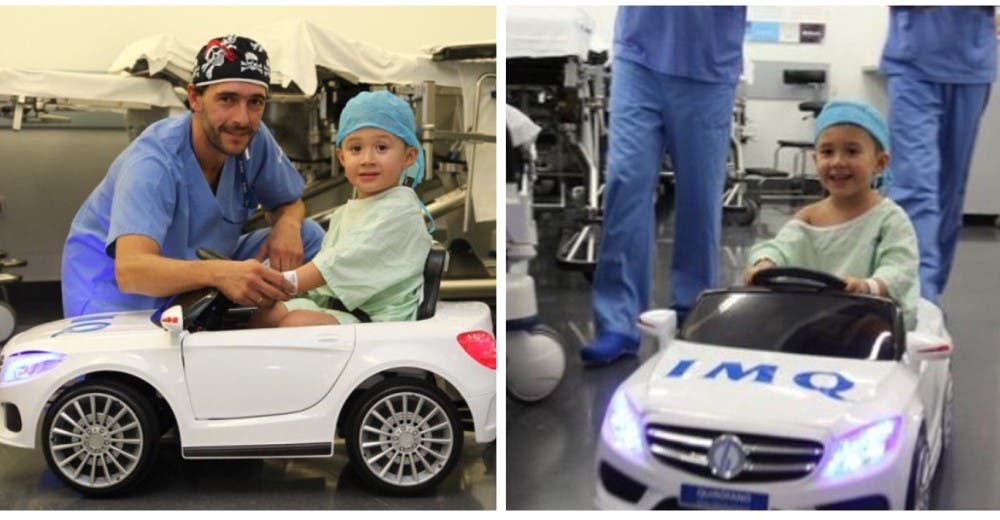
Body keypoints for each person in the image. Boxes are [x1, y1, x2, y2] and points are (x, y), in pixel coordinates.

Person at [61, 34, 324, 317]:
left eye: (255, 102)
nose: (242, 118)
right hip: (118, 293)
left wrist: (288, 224)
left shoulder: (254, 140)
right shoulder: (154, 162)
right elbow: (130, 270)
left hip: (198, 274)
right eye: (227, 99)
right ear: (195, 98)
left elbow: (291, 203)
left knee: (309, 236)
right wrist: (220, 273)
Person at [581, 6, 747, 364]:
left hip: (709, 64)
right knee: (626, 181)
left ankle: (693, 311)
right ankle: (620, 324)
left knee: (700, 196)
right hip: (638, 54)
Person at [250, 91, 431, 328]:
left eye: (381, 147)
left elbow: (336, 265)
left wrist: (282, 282)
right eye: (356, 149)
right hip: (340, 306)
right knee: (266, 314)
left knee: (296, 324)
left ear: (408, 156)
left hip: (378, 319)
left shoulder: (400, 211)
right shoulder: (347, 211)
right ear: (341, 156)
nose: (367, 159)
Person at [743, 100, 920, 330]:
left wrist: (869, 287)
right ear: (816, 160)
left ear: (880, 162)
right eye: (827, 152)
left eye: (852, 151)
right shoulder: (808, 218)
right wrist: (765, 264)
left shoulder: (890, 219)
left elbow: (900, 270)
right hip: (815, 321)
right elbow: (779, 247)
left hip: (872, 323)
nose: (838, 162)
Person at [880, 6, 996, 304]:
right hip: (912, 64)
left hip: (972, 65)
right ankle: (916, 300)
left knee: (949, 194)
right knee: (914, 186)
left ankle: (930, 297)